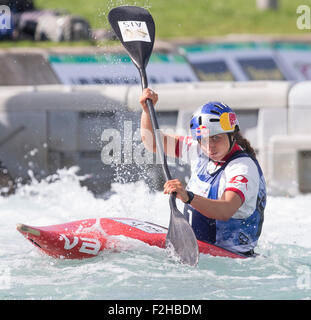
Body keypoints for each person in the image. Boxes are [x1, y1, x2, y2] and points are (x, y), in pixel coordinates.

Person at [139, 88, 266, 257]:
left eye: (216, 138)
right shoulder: (198, 150)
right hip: (197, 248)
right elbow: (153, 143)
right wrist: (147, 110)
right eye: (203, 139)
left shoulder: (242, 167)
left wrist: (188, 196)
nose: (209, 146)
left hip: (231, 258)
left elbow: (226, 209)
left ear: (231, 135)